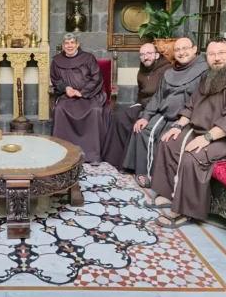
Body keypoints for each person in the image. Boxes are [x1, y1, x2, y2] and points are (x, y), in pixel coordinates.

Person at [148, 37, 226, 228]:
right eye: (212, 54)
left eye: (221, 53)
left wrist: (206, 138)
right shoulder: (211, 76)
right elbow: (192, 104)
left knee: (194, 154)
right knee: (169, 141)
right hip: (209, 131)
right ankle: (170, 193)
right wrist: (178, 126)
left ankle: (185, 211)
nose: (217, 58)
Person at [122, 37, 208, 187]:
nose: (181, 53)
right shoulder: (171, 71)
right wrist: (145, 117)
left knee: (166, 140)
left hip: (187, 119)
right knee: (143, 130)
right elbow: (158, 97)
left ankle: (160, 178)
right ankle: (144, 172)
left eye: (185, 49)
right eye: (177, 50)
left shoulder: (204, 70)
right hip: (164, 114)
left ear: (194, 49)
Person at [102, 43, 171, 168]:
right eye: (142, 55)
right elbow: (141, 93)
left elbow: (165, 97)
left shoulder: (167, 70)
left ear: (156, 55)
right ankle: (113, 160)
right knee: (119, 117)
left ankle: (130, 165)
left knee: (137, 125)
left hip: (158, 109)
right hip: (143, 105)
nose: (146, 57)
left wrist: (145, 114)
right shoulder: (142, 71)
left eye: (149, 53)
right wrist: (137, 106)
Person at [50, 33, 112, 164]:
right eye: (66, 43)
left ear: (77, 44)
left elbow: (96, 78)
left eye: (72, 43)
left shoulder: (88, 58)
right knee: (60, 110)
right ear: (63, 46)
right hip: (68, 96)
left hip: (89, 95)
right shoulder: (56, 61)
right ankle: (63, 153)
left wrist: (82, 92)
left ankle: (92, 155)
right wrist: (66, 88)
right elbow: (56, 79)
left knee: (95, 111)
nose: (69, 46)